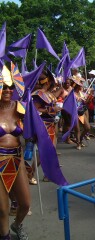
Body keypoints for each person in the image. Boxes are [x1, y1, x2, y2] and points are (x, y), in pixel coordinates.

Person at [0, 77, 30, 239]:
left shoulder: (20, 108)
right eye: (3, 87)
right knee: (3, 209)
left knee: (25, 204)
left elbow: (31, 130)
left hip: (17, 160)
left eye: (10, 87)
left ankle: (17, 225)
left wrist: (34, 132)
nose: (7, 90)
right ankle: (5, 235)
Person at [72, 76, 91, 150]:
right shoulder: (72, 94)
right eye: (81, 84)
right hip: (74, 113)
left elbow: (85, 103)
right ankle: (78, 143)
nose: (82, 86)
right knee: (77, 129)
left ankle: (80, 139)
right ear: (77, 85)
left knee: (87, 128)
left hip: (81, 112)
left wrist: (88, 100)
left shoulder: (82, 93)